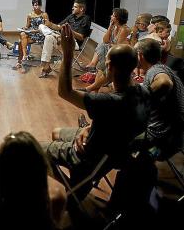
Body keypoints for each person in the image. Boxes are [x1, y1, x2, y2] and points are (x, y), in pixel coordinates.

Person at [41, 24, 151, 205]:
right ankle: (78, 185)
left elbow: (65, 92)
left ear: (109, 66)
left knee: (36, 150)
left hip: (93, 155)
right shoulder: (144, 93)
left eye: (106, 61)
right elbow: (122, 120)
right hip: (114, 147)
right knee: (56, 133)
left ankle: (72, 192)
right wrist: (91, 127)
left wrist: (68, 54)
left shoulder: (109, 102)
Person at [135, 38, 184, 159]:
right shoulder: (163, 67)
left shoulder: (154, 70)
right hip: (174, 139)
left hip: (158, 143)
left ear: (140, 55)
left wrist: (141, 97)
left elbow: (164, 82)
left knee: (113, 134)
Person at [39, 0, 91, 78]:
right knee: (44, 30)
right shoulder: (71, 16)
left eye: (75, 7)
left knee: (50, 36)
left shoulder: (86, 19)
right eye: (73, 6)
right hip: (61, 38)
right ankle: (46, 66)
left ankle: (45, 66)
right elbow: (58, 27)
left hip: (73, 42)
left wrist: (70, 31)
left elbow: (81, 37)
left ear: (81, 9)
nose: (72, 8)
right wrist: (49, 24)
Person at [83, 8, 131, 92]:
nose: (111, 16)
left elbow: (118, 46)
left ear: (118, 17)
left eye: (113, 15)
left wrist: (110, 45)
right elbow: (105, 40)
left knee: (103, 47)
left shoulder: (125, 29)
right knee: (103, 45)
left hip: (121, 54)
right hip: (111, 51)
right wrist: (110, 27)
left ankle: (93, 65)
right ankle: (93, 66)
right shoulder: (114, 27)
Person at [15, 0, 48, 72]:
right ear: (32, 5)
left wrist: (35, 30)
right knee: (22, 34)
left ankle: (21, 60)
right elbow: (27, 26)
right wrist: (24, 28)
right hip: (32, 35)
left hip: (41, 35)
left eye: (38, 5)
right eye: (35, 5)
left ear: (41, 5)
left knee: (21, 42)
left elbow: (47, 26)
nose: (37, 7)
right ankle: (25, 55)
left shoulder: (44, 14)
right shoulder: (30, 15)